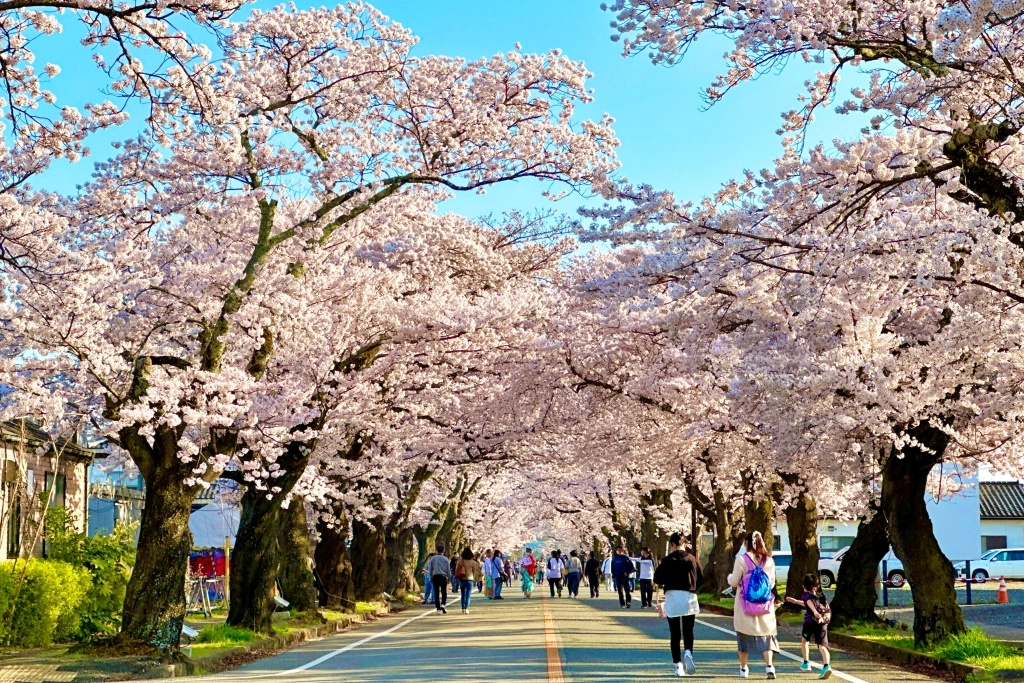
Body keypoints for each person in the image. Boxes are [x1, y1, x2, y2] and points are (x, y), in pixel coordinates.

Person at [728, 531, 779, 679]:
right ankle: (769, 667)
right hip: (765, 606)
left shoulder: (742, 560)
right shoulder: (769, 561)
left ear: (747, 543)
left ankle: (744, 669)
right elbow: (772, 583)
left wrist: (729, 577)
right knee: (766, 636)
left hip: (745, 605)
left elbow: (733, 581)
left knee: (743, 637)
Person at [654, 532, 703, 678]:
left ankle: (678, 666)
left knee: (675, 633)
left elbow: (657, 578)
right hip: (689, 597)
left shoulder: (668, 560)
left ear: (673, 544)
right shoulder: (692, 559)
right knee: (689, 630)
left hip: (673, 598)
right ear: (684, 544)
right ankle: (688, 652)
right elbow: (701, 577)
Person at [786, 574, 832, 679]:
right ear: (817, 586)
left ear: (803, 586)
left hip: (810, 622)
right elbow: (809, 603)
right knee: (822, 646)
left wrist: (815, 613)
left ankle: (806, 663)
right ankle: (826, 666)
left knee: (804, 640)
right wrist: (796, 601)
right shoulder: (820, 596)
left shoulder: (806, 595)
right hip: (823, 623)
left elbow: (809, 604)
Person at [424, 544, 451, 614]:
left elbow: (430, 569)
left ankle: (438, 608)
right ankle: (443, 604)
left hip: (435, 576)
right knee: (444, 592)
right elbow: (448, 570)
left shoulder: (433, 558)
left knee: (436, 592)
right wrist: (449, 578)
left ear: (436, 550)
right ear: (443, 551)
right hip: (443, 576)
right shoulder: (445, 559)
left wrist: (431, 577)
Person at [455, 548, 481, 614]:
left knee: (463, 594)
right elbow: (474, 571)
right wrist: (475, 580)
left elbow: (457, 569)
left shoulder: (460, 560)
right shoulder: (473, 562)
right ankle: (466, 608)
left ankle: (463, 608)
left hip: (462, 579)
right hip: (470, 579)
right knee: (468, 595)